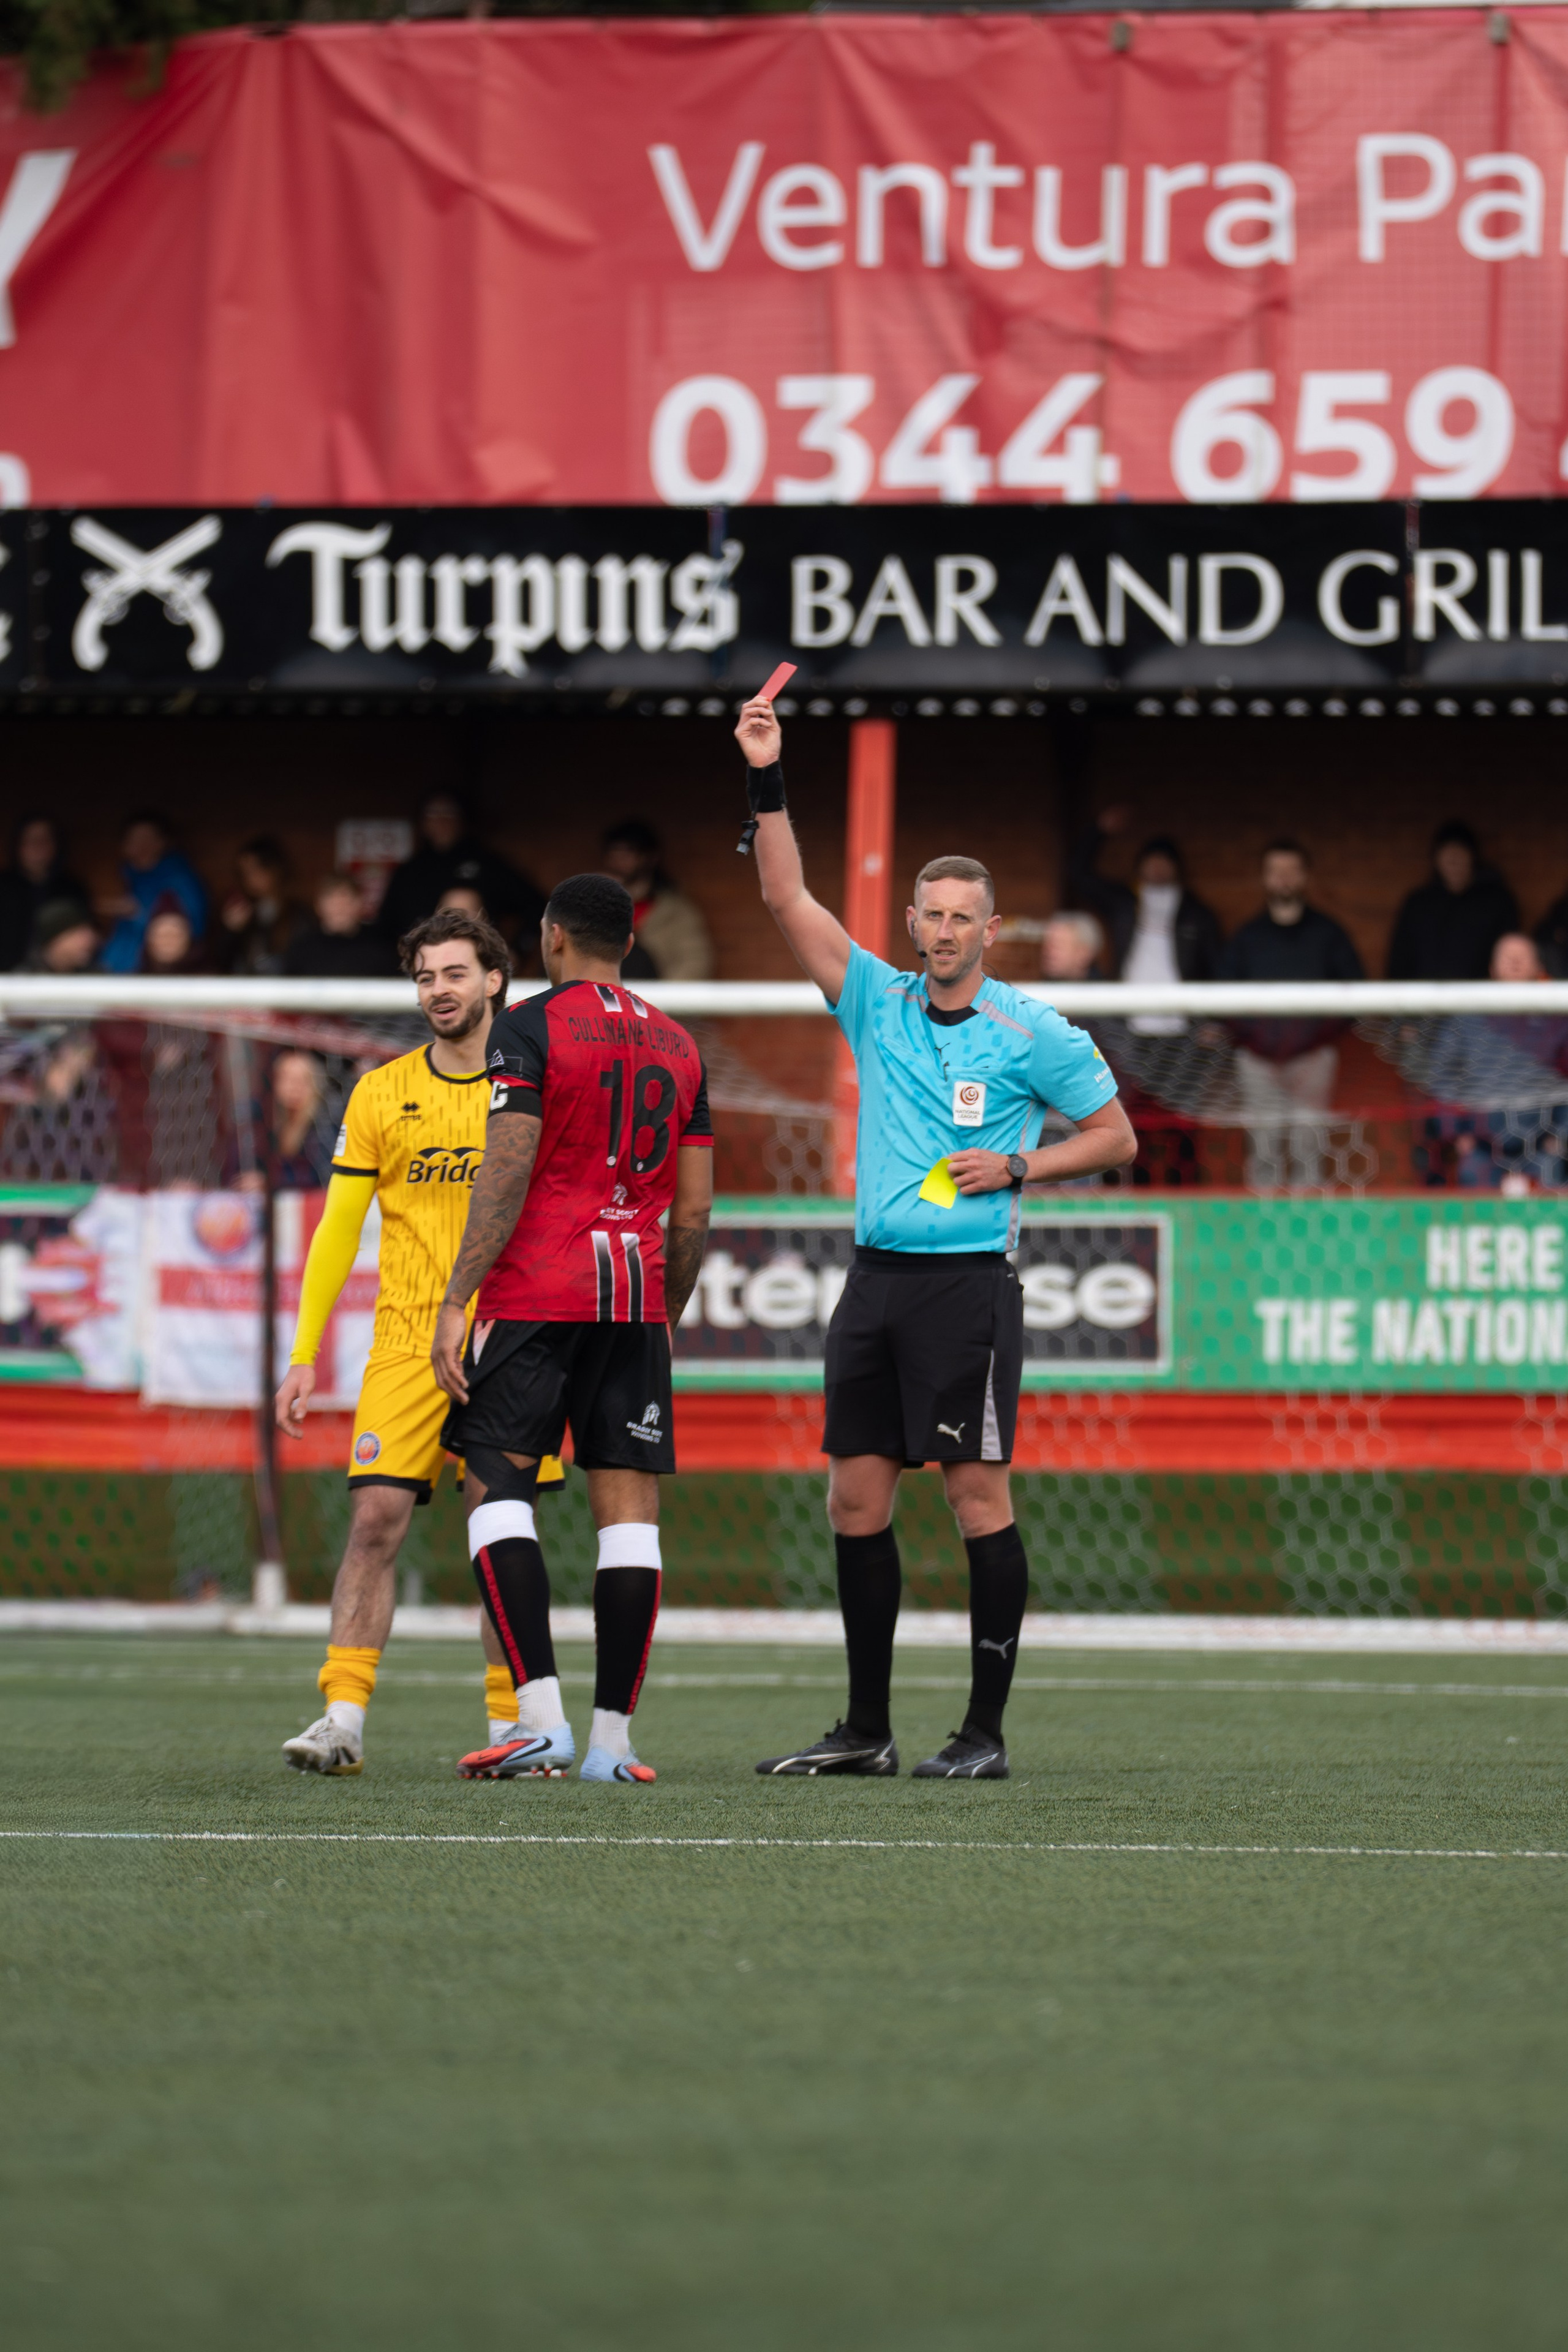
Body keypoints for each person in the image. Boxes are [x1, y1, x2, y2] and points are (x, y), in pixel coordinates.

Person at [734, 697, 1135, 1781]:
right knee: (855, 1498)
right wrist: (768, 774)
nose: (947, 930)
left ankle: (985, 1733)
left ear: (992, 930)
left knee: (974, 1498)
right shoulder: (874, 999)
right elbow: (784, 895)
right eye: (932, 914)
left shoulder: (1031, 1031)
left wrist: (1020, 1166)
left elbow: (1117, 1137)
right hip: (873, 1285)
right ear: (911, 922)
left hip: (968, 1290)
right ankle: (867, 1729)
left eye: (966, 916)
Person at [430, 873, 715, 1787]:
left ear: (552, 939)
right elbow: (697, 1212)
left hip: (537, 1295)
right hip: (633, 1301)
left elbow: (505, 1172)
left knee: (497, 1490)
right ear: (628, 944)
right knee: (628, 1516)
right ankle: (612, 1743)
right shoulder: (681, 1044)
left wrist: (456, 1299)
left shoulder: (527, 1027)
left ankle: (540, 1721)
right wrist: (665, 1308)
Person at [273, 908, 566, 1778]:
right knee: (374, 1522)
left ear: (495, 982)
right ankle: (342, 1718)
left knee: (499, 1529)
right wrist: (302, 1352)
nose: (439, 990)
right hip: (404, 1340)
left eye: (454, 974)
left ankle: (516, 1726)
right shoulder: (378, 1092)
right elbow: (336, 1231)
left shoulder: (535, 1088)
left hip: (508, 1339)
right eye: (426, 976)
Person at [1218, 840, 1363, 1188]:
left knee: (1308, 1144)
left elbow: (1356, 994)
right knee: (1263, 1146)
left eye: (1291, 870)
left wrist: (1318, 1038)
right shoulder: (1247, 937)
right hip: (1257, 1061)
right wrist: (1253, 1040)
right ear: (1264, 878)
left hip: (1313, 1059)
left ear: (1305, 877)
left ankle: (1307, 1230)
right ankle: (1264, 1228)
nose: (1283, 878)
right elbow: (1222, 996)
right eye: (1275, 871)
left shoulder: (1329, 934)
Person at [1068, 808, 1224, 994]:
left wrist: (1209, 1018)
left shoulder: (1196, 914)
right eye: (1151, 860)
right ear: (1139, 865)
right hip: (1127, 1013)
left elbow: (1217, 968)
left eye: (1164, 860)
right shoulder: (1124, 903)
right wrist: (1098, 831)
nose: (1157, 866)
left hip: (1183, 1015)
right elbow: (1078, 875)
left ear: (1177, 867)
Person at [376, 791, 545, 949]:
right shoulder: (409, 871)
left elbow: (537, 906)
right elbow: (386, 925)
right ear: (422, 822)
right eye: (432, 814)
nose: (441, 820)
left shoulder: (486, 864)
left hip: (476, 959)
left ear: (463, 819)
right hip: (416, 963)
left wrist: (518, 950)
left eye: (449, 812)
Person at [1387, 821, 1518, 981]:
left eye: (1460, 853)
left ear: (1473, 858)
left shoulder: (1497, 902)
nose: (1454, 860)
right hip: (1424, 999)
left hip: (1482, 1000)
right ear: (1436, 859)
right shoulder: (1418, 904)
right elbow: (1400, 961)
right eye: (1448, 854)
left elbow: (1512, 955)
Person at [600, 818, 715, 980]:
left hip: (654, 999)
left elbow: (694, 962)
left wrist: (663, 1001)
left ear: (650, 857)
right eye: (613, 853)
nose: (619, 861)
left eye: (628, 853)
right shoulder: (596, 904)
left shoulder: (673, 910)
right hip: (603, 999)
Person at [100, 812, 208, 973]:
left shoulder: (180, 879)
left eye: (149, 839)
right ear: (125, 847)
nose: (143, 846)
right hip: (126, 970)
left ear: (163, 843)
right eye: (136, 840)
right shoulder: (133, 877)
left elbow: (194, 930)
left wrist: (138, 913)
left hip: (167, 973)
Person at [225, 1049, 337, 1192]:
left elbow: (321, 1177)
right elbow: (233, 1171)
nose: (296, 1087)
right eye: (288, 1079)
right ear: (274, 1082)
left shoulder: (325, 1127)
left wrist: (270, 1183)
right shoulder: (261, 1123)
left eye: (304, 1080)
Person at [0, 817, 91, 971]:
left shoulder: (72, 889)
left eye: (43, 840)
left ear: (55, 845)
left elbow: (84, 941)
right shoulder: (3, 887)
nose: (37, 846)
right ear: (18, 846)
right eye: (30, 840)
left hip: (60, 981)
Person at [217, 837, 309, 976]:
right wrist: (232, 932)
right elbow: (223, 964)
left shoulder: (298, 915)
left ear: (274, 870)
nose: (251, 880)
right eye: (245, 874)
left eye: (256, 870)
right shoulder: (244, 914)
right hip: (247, 993)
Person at [282, 873, 396, 979]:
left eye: (346, 901)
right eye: (333, 902)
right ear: (318, 906)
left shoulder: (380, 947)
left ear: (359, 904)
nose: (339, 909)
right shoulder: (302, 949)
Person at [21, 900, 99, 974]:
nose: (89, 941)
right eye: (79, 935)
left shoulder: (98, 979)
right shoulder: (22, 982)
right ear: (55, 940)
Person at [1040, 911, 1105, 984]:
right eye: (1047, 945)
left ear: (1083, 953)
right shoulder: (1035, 991)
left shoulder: (1107, 992)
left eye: (1058, 946)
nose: (1048, 953)